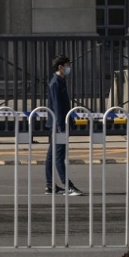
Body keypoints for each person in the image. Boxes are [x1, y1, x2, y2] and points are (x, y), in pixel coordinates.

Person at [44, 55, 84, 196]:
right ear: (60, 67)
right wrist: (62, 126)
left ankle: (50, 185)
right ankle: (68, 186)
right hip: (58, 124)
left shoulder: (60, 81)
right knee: (59, 156)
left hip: (58, 123)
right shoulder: (55, 82)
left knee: (51, 156)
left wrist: (70, 120)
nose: (69, 68)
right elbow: (57, 107)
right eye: (67, 65)